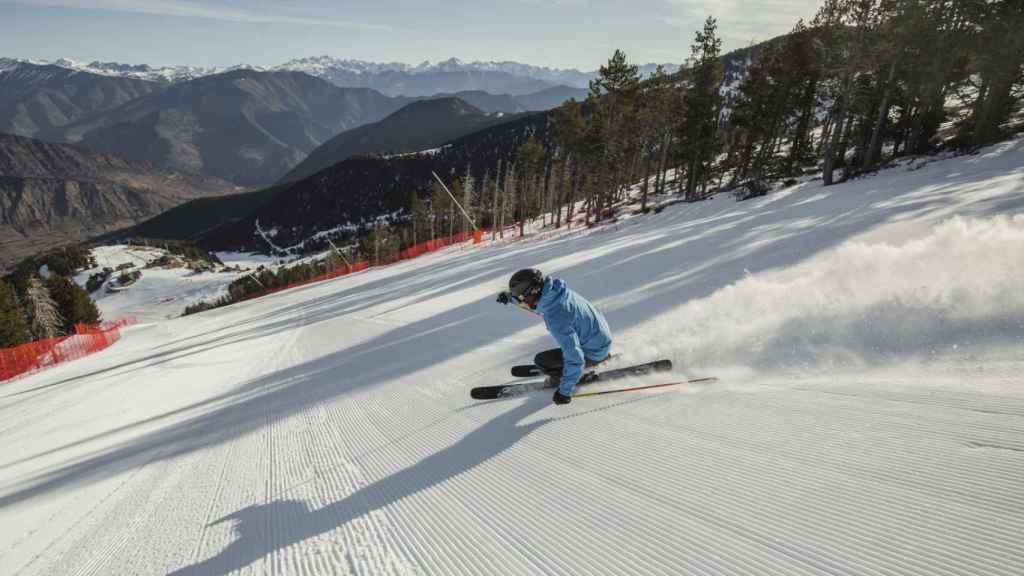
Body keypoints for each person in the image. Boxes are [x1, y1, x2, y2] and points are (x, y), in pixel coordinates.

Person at [497, 268, 612, 405]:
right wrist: (511, 298)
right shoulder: (556, 293)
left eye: (522, 297)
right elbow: (538, 305)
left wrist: (564, 391)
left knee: (541, 360)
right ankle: (599, 356)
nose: (522, 301)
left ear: (533, 292)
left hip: (593, 352)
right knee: (559, 350)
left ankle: (572, 377)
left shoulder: (556, 317)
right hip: (600, 339)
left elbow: (575, 357)